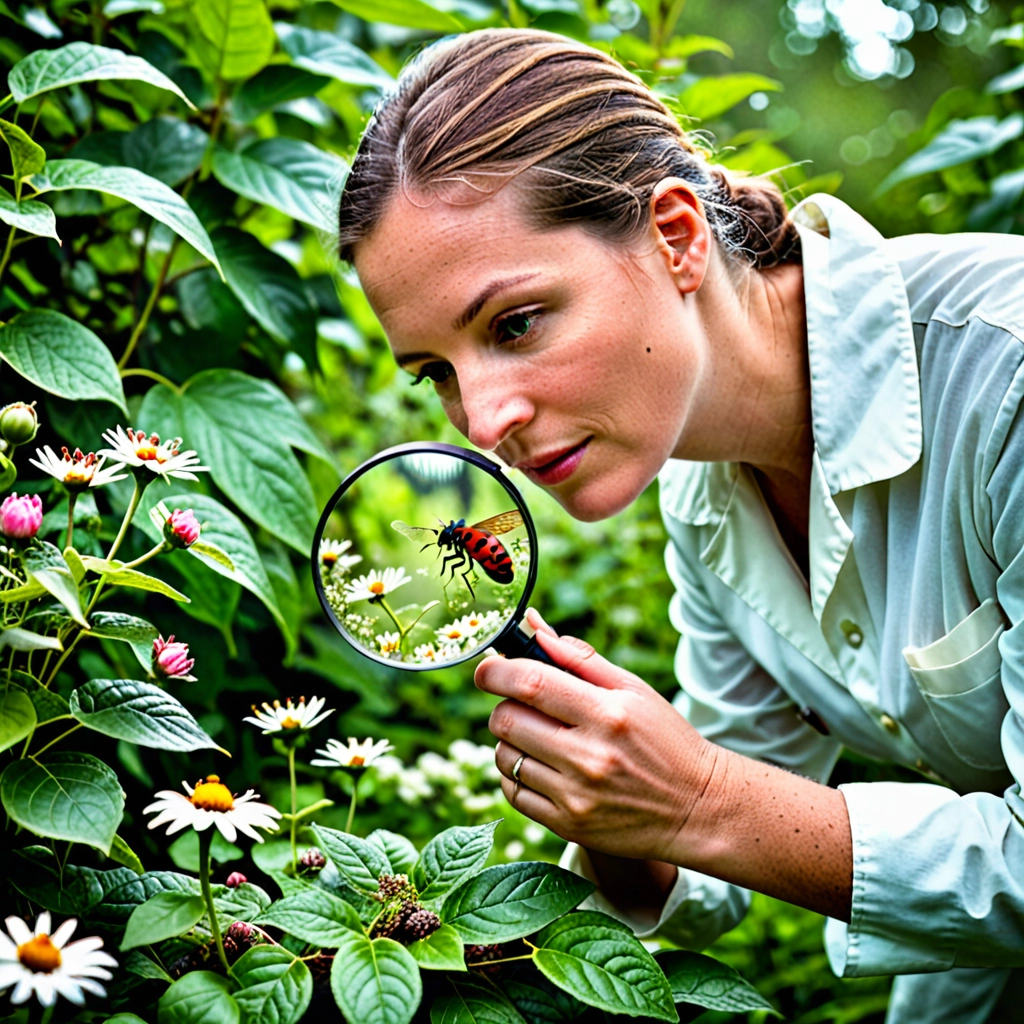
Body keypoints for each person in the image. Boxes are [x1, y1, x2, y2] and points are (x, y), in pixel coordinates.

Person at [334, 27, 1024, 1023]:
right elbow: (723, 854)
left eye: (515, 323)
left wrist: (697, 797)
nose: (483, 424)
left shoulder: (1002, 378)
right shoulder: (697, 490)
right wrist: (617, 811)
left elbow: (730, 806)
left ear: (674, 235)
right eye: (438, 372)